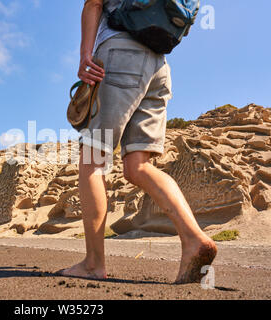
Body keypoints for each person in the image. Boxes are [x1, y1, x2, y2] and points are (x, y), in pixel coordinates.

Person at [58, 0, 217, 283]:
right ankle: (194, 239)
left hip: (120, 55)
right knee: (137, 166)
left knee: (92, 159)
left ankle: (94, 263)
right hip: (158, 66)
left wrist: (85, 56)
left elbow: (94, 3)